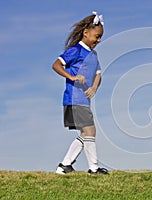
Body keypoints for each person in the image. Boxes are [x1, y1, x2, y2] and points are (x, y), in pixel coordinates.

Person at [52, 11, 108, 175]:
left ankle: (65, 166)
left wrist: (94, 88)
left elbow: (98, 74)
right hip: (73, 98)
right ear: (86, 32)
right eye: (96, 36)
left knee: (86, 132)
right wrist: (72, 76)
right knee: (90, 131)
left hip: (84, 100)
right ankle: (93, 168)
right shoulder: (75, 50)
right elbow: (56, 65)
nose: (98, 41)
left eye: (100, 38)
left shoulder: (93, 54)